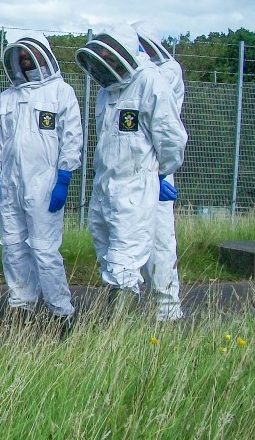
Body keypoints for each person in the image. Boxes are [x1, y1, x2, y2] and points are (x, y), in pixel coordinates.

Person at [74, 24, 187, 309]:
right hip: (106, 182)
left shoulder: (151, 82)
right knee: (109, 254)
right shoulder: (107, 91)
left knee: (128, 257)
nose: (107, 63)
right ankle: (125, 326)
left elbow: (172, 138)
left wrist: (160, 174)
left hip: (138, 182)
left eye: (111, 57)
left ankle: (126, 326)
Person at [0, 33, 83, 325]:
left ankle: (60, 313)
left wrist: (64, 177)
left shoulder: (60, 92)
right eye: (20, 54)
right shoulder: (6, 98)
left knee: (44, 249)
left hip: (44, 184)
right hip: (9, 186)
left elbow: (71, 137)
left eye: (29, 53)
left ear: (44, 54)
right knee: (13, 246)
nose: (24, 58)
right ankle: (21, 307)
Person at [133, 21, 187, 322]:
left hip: (157, 168)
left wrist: (165, 173)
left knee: (161, 241)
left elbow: (167, 130)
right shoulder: (132, 78)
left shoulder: (168, 72)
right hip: (133, 170)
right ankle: (132, 306)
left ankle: (167, 310)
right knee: (127, 243)